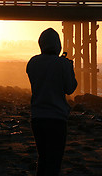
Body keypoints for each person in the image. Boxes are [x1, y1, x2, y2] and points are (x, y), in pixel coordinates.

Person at [26, 28, 77, 176]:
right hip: (56, 119)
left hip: (37, 118)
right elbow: (70, 88)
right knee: (54, 162)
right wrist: (69, 68)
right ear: (58, 45)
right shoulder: (62, 64)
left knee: (43, 159)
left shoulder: (32, 62)